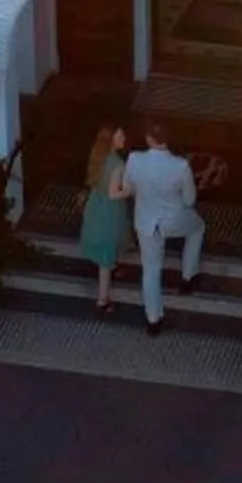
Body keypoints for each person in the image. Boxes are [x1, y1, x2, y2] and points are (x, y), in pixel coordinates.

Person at [122, 122, 203, 333]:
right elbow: (189, 200)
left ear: (149, 139)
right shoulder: (180, 166)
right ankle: (188, 276)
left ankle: (153, 320)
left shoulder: (134, 160)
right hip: (173, 220)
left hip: (146, 222)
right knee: (198, 228)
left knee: (150, 270)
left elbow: (128, 189)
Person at [76, 125, 130, 312]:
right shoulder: (117, 164)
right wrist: (130, 190)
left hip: (96, 206)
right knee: (106, 253)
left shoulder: (98, 157)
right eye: (120, 136)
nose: (124, 138)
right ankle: (103, 300)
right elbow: (114, 194)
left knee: (103, 245)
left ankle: (111, 267)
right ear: (111, 141)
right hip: (109, 212)